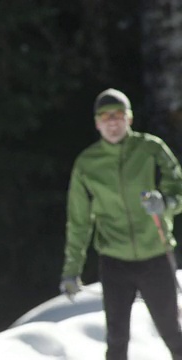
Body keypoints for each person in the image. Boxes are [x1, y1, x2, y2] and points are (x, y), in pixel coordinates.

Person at [59, 88, 182, 360]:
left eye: (118, 115)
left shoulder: (151, 149)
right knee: (117, 339)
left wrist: (165, 203)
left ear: (129, 118)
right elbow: (79, 221)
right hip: (115, 261)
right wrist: (71, 271)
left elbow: (178, 188)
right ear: (97, 123)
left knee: (173, 333)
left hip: (156, 255)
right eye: (105, 116)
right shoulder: (87, 164)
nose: (112, 122)